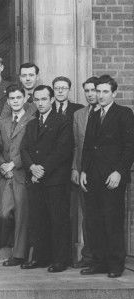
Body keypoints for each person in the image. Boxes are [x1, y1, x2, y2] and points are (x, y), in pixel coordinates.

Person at [80, 75, 134, 278]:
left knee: (112, 220)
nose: (99, 95)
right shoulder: (94, 114)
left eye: (104, 92)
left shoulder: (124, 114)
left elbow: (130, 148)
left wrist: (119, 172)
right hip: (93, 177)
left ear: (113, 93)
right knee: (94, 221)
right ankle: (99, 262)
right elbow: (87, 146)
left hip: (113, 178)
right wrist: (84, 170)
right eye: (97, 91)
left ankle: (115, 264)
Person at [20, 85, 73, 273]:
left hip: (55, 180)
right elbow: (24, 149)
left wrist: (42, 169)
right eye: (37, 99)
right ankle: (40, 258)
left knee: (58, 220)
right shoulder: (31, 123)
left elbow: (63, 150)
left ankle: (60, 260)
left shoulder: (63, 121)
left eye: (44, 99)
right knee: (38, 220)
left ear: (51, 100)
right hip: (36, 179)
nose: (40, 103)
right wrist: (32, 168)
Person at [0, 85, 35, 267]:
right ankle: (13, 244)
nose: (15, 101)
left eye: (19, 97)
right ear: (8, 101)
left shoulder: (31, 120)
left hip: (21, 173)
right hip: (5, 174)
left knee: (22, 216)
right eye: (12, 98)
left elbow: (30, 148)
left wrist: (14, 163)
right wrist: (2, 164)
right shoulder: (2, 122)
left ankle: (19, 254)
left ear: (25, 98)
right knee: (4, 213)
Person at [71, 76, 99, 269]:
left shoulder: (109, 113)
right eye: (87, 90)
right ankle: (88, 255)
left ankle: (102, 256)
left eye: (94, 90)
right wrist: (75, 167)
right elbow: (75, 145)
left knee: (102, 215)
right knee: (87, 216)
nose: (90, 94)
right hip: (83, 173)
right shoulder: (79, 114)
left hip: (102, 172)